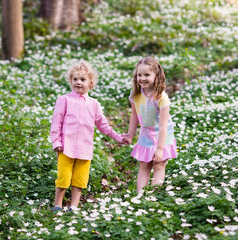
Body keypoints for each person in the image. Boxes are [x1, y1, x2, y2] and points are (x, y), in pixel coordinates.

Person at [50, 60, 129, 211]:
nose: (78, 82)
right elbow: (56, 123)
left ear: (90, 83)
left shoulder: (94, 104)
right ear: (70, 81)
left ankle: (74, 205)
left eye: (83, 79)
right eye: (75, 79)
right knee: (63, 177)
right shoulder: (64, 100)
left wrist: (119, 138)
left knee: (80, 179)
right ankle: (57, 205)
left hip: (85, 148)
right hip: (65, 147)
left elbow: (103, 125)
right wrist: (56, 141)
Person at [124, 57, 177, 192]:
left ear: (156, 76)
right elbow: (134, 115)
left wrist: (159, 149)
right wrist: (130, 134)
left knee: (158, 165)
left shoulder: (161, 97)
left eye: (147, 75)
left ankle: (153, 196)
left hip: (162, 135)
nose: (142, 78)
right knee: (144, 164)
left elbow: (164, 125)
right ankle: (140, 196)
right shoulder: (135, 94)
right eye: (139, 75)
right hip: (146, 133)